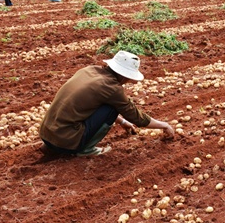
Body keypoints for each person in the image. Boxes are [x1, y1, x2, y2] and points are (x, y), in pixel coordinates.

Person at [39, 50, 175, 156]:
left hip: (47, 133)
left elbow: (94, 104)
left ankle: (52, 145)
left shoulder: (89, 70)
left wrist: (122, 122)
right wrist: (164, 125)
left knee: (107, 105)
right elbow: (137, 118)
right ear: (125, 75)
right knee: (112, 108)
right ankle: (85, 150)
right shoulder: (112, 88)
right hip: (65, 140)